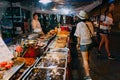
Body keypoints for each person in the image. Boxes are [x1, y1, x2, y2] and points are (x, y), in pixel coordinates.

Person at [74, 10, 94, 80]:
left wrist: (78, 44)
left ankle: (88, 76)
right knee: (88, 57)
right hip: (90, 43)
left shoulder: (79, 24)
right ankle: (87, 68)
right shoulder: (90, 23)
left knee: (84, 60)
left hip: (84, 44)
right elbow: (93, 34)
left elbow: (78, 36)